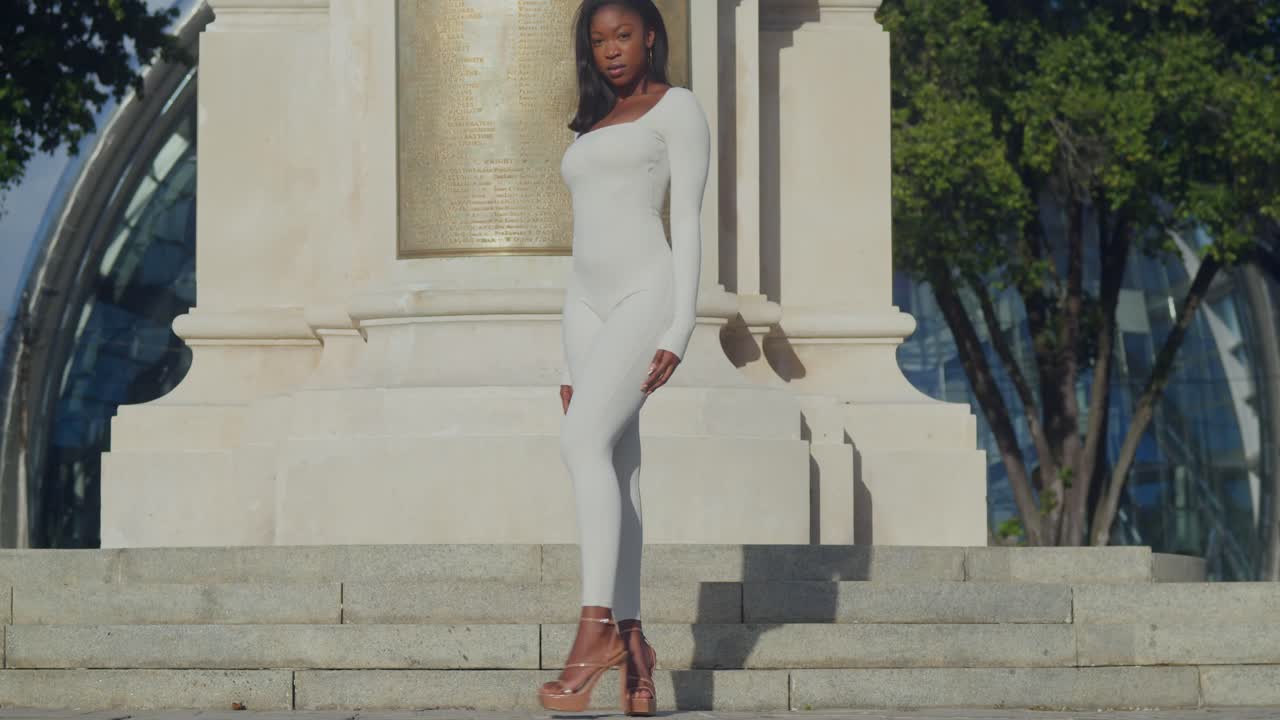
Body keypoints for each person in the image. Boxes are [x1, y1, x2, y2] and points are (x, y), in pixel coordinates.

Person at [536, 0, 710, 715]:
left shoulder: (677, 108)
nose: (611, 49)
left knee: (580, 444)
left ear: (651, 37)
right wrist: (569, 363)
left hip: (646, 291)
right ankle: (634, 644)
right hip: (586, 302)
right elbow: (582, 244)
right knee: (618, 464)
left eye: (624, 35)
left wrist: (681, 326)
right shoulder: (591, 124)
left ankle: (595, 629)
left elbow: (688, 218)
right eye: (599, 39)